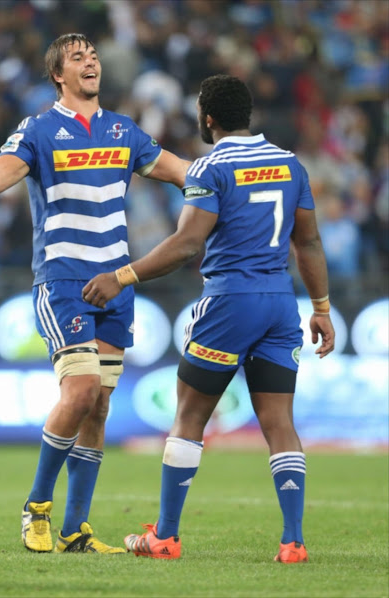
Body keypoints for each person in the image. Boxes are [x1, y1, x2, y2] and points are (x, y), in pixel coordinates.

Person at [0, 33, 190, 554]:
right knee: (79, 393)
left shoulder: (123, 131)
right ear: (58, 74)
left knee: (99, 407)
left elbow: (182, 174)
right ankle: (37, 505)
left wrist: (234, 188)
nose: (91, 63)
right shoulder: (40, 130)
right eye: (78, 58)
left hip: (117, 284)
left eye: (94, 56)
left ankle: (77, 530)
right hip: (63, 281)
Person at [82, 74, 335, 563]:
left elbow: (188, 244)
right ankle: (293, 541)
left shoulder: (209, 168)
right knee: (280, 422)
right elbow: (308, 242)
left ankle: (166, 537)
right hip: (281, 305)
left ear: (209, 117)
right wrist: (321, 308)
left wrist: (123, 276)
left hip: (228, 304)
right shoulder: (289, 163)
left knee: (190, 417)